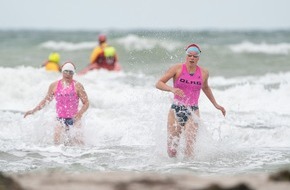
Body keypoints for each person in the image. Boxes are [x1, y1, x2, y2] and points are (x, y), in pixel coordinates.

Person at [155, 43, 226, 158]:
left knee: (190, 147)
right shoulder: (177, 68)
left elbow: (206, 87)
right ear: (186, 56)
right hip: (176, 110)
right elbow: (159, 83)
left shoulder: (203, 73)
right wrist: (171, 89)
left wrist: (216, 105)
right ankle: (172, 170)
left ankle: (188, 170)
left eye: (195, 56)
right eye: (190, 55)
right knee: (172, 151)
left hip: (193, 111)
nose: (192, 58)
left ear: (198, 58)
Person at [24, 62, 89, 145]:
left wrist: (80, 113)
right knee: (57, 144)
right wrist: (33, 110)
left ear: (73, 73)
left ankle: (80, 157)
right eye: (66, 71)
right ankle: (59, 158)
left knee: (79, 144)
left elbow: (86, 103)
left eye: (70, 72)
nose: (68, 74)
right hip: (60, 120)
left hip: (75, 119)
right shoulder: (54, 85)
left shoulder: (77, 85)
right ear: (62, 71)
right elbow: (46, 101)